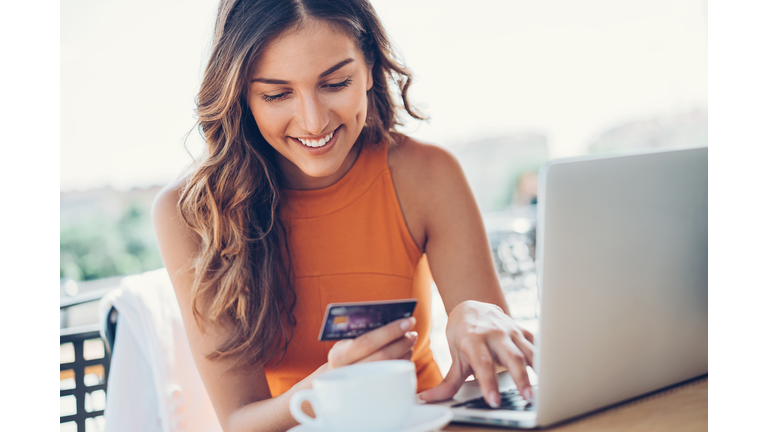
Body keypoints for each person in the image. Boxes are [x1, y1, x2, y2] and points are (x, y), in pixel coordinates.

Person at [152, 1, 536, 430]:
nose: (313, 122)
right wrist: (332, 385)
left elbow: (503, 375)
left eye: (335, 83)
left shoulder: (427, 174)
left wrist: (475, 318)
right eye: (277, 94)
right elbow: (240, 421)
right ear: (240, 93)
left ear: (369, 67)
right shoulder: (191, 214)